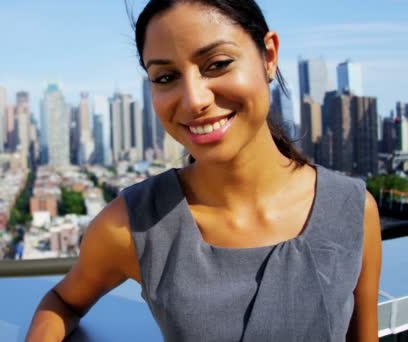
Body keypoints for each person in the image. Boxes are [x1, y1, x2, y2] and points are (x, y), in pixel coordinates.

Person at [26, 0, 382, 341]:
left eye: (218, 63)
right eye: (165, 78)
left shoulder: (352, 210)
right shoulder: (132, 225)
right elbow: (63, 301)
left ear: (269, 56)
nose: (195, 99)